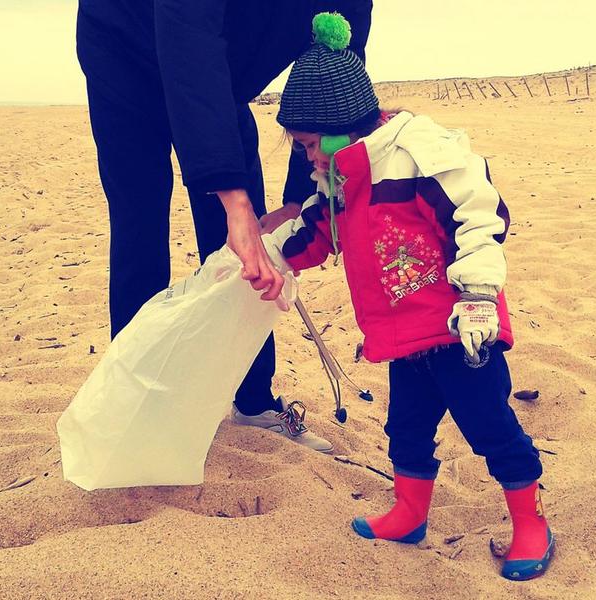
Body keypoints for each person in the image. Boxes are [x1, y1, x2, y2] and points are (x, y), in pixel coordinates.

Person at [266, 12, 555, 581]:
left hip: (457, 330)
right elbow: (318, 230)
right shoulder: (341, 179)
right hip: (403, 338)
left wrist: (477, 295)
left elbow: (479, 215)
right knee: (406, 429)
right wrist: (271, 256)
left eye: (309, 145)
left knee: (490, 426)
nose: (308, 159)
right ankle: (409, 512)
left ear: (338, 126)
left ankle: (530, 520)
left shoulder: (419, 155)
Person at [75, 0, 373, 453]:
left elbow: (334, 84)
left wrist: (299, 199)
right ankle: (132, 407)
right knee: (140, 226)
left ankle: (253, 401)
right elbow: (186, 31)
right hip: (125, 48)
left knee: (250, 247)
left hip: (221, 75)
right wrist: (233, 199)